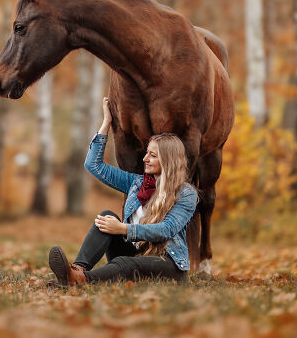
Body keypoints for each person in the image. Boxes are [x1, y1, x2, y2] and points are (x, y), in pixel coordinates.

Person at [48, 97, 198, 286]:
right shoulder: (137, 183)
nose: (145, 159)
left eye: (153, 155)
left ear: (169, 161)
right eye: (146, 153)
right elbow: (93, 165)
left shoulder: (186, 194)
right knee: (106, 216)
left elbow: (167, 229)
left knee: (123, 263)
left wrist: (124, 229)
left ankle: (79, 280)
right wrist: (106, 123)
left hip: (167, 263)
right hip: (137, 254)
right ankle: (77, 270)